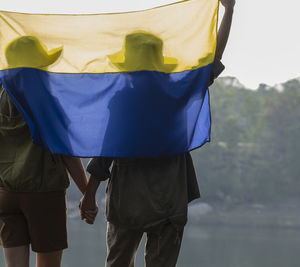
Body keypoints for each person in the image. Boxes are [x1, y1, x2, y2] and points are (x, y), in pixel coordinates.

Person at [79, 0, 236, 266]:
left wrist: (89, 192)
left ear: (129, 64)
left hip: (126, 199)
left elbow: (107, 150)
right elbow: (213, 59)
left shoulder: (121, 100)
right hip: (169, 198)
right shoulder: (177, 93)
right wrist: (229, 11)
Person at [0, 3, 92, 267]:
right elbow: (66, 153)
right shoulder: (50, 102)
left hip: (4, 195)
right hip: (43, 195)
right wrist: (87, 191)